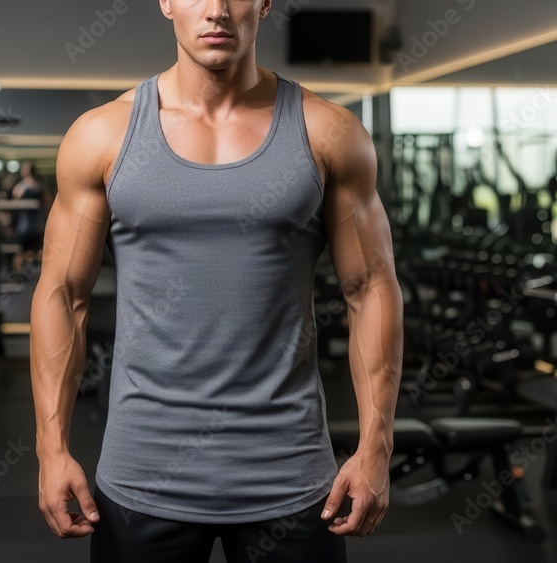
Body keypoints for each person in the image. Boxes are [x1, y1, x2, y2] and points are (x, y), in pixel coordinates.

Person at [29, 1, 403, 561]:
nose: (218, 10)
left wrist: (375, 449)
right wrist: (50, 449)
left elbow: (371, 288)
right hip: (143, 476)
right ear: (166, 2)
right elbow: (62, 294)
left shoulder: (329, 131)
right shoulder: (101, 135)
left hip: (291, 478)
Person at [12, 161, 44, 272]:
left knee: (21, 251)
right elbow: (48, 203)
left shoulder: (21, 186)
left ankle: (19, 273)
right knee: (36, 250)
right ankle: (34, 272)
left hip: (25, 225)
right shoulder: (39, 185)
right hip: (36, 224)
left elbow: (15, 200)